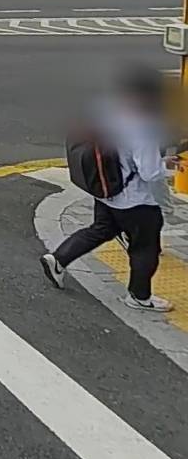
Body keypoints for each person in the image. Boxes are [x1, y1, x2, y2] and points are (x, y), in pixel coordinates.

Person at [41, 67, 177, 311]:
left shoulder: (109, 113)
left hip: (107, 191)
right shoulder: (143, 127)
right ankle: (139, 296)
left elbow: (120, 155)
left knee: (100, 229)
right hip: (136, 201)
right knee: (145, 248)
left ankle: (58, 259)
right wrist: (167, 173)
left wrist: (160, 162)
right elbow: (149, 173)